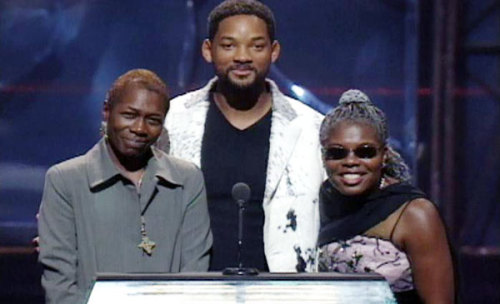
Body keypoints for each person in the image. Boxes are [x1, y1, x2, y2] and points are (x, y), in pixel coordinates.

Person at [165, 0, 324, 272]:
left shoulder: (312, 127)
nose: (242, 56)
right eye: (229, 45)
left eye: (256, 46)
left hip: (285, 290)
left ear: (274, 52)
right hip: (190, 287)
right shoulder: (173, 119)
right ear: (208, 50)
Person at [38, 69, 212, 304]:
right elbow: (60, 287)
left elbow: (195, 279)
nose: (140, 129)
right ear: (107, 111)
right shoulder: (65, 181)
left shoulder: (186, 180)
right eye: (129, 115)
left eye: (153, 120)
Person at [316, 89, 455, 303]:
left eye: (365, 152)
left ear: (384, 156)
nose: (351, 161)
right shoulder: (323, 202)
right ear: (324, 157)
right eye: (337, 153)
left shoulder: (414, 214)